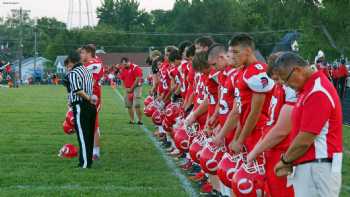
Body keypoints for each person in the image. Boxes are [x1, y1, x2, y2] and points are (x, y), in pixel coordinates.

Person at [273, 52, 343, 197]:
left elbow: (305, 138)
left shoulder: (317, 91)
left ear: (297, 70)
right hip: (312, 165)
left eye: (287, 80)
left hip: (319, 166)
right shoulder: (308, 89)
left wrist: (285, 160)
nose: (288, 86)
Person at [247, 52, 296, 197]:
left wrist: (255, 151)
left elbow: (282, 130)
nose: (278, 82)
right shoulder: (278, 88)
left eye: (278, 78)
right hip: (273, 148)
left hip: (283, 150)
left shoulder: (291, 89)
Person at [64, 52, 97, 169]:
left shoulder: (73, 73)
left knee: (82, 136)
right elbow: (91, 85)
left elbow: (78, 90)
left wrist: (88, 98)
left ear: (72, 62)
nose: (68, 68)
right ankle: (88, 161)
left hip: (81, 105)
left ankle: (85, 163)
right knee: (88, 136)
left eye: (68, 65)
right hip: (91, 107)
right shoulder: (88, 71)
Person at [80, 44, 104, 160]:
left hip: (93, 97)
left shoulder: (94, 63)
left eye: (83, 53)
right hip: (86, 96)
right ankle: (90, 149)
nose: (81, 55)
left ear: (89, 53)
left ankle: (95, 152)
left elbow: (90, 81)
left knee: (93, 125)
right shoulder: (91, 62)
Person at [119, 57, 143, 125]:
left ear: (129, 62)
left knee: (137, 104)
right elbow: (122, 79)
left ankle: (140, 120)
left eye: (125, 64)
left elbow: (137, 79)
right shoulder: (123, 69)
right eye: (123, 64)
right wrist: (125, 88)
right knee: (128, 105)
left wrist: (131, 88)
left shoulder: (135, 67)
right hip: (128, 88)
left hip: (136, 87)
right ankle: (132, 120)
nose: (124, 65)